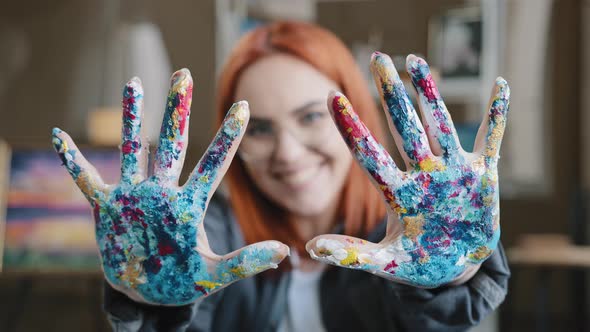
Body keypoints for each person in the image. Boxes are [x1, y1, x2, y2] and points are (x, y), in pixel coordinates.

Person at [52, 21, 510, 331]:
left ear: (361, 120)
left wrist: (452, 274)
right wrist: (152, 299)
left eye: (311, 117)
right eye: (261, 129)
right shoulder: (214, 237)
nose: (287, 154)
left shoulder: (407, 246)